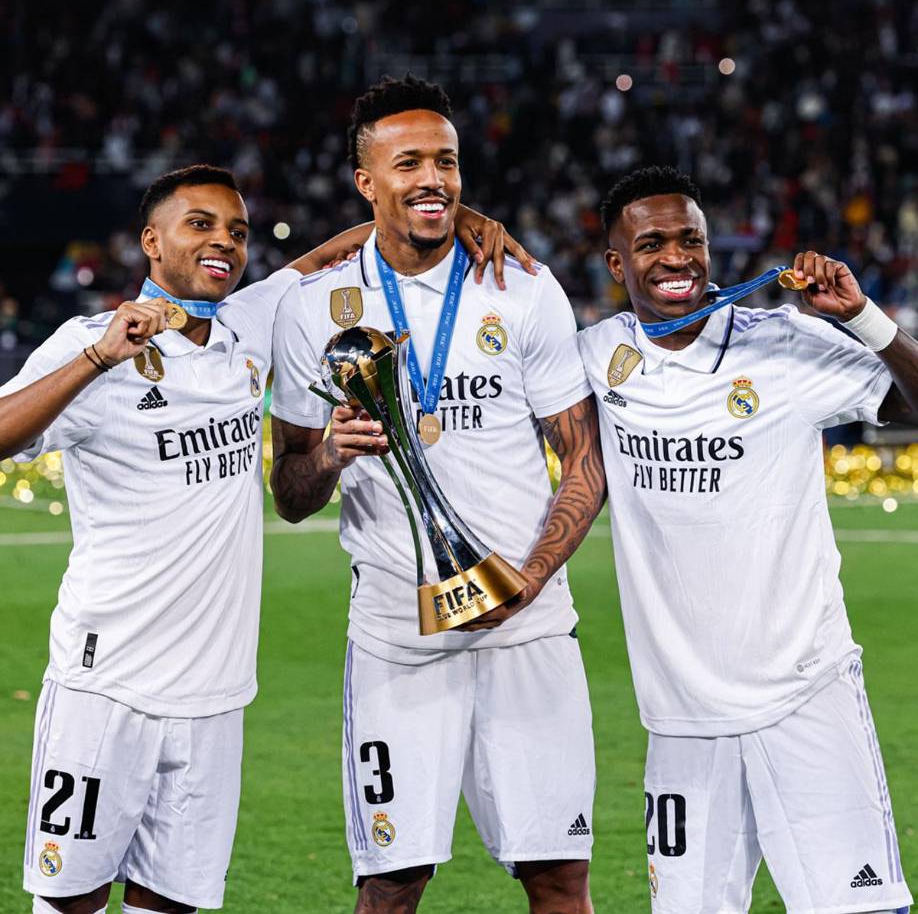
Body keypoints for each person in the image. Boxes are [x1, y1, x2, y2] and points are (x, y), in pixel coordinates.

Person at [1, 162, 522, 914]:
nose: (225, 243)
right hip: (106, 683)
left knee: (171, 902)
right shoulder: (93, 343)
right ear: (152, 240)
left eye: (238, 231)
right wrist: (96, 359)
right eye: (201, 224)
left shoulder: (247, 324)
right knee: (70, 901)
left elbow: (330, 258)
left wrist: (460, 218)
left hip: (216, 694)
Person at [269, 75, 605, 914]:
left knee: (559, 875)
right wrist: (334, 459)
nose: (434, 179)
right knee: (391, 882)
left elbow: (586, 461)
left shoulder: (522, 287)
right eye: (408, 161)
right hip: (396, 632)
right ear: (366, 182)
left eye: (447, 161)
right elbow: (291, 490)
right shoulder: (312, 308)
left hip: (527, 623)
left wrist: (528, 579)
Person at [577, 165, 918, 914]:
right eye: (653, 242)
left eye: (691, 239)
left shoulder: (785, 343)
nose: (676, 258)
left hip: (805, 691)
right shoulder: (596, 358)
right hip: (682, 717)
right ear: (616, 262)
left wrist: (862, 317)